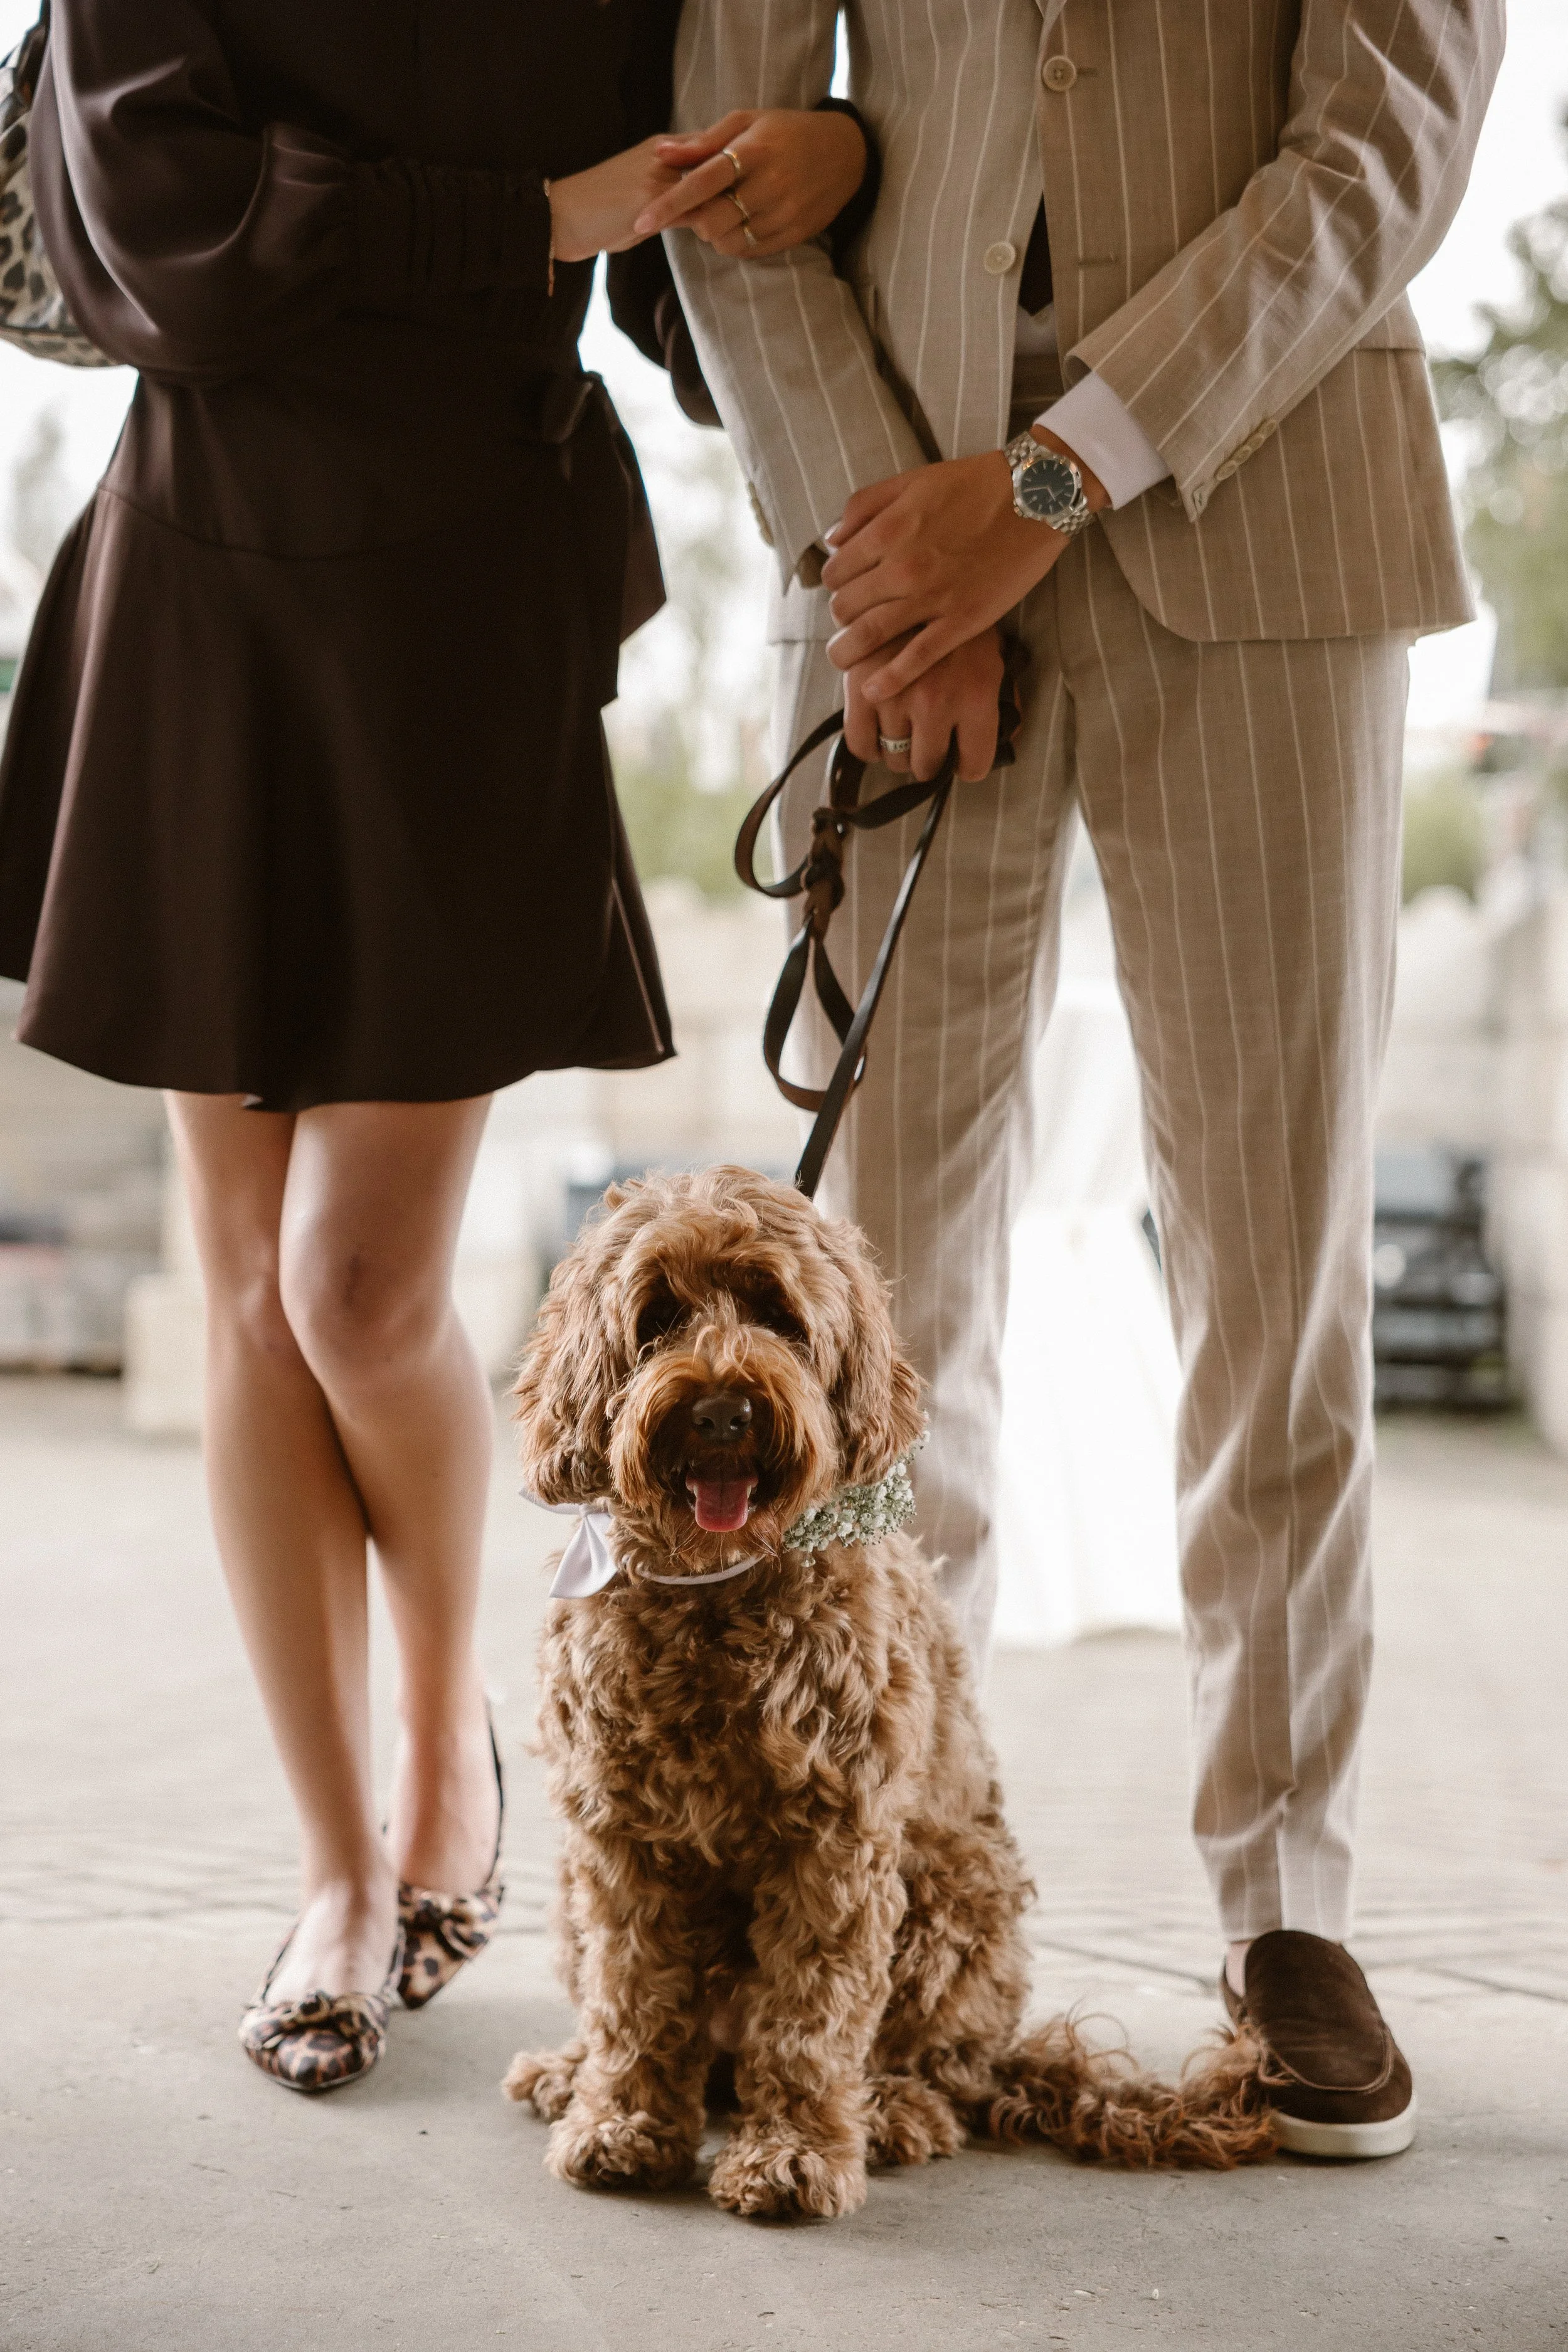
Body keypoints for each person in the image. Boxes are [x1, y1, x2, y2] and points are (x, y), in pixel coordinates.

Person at [0, 0, 874, 2094]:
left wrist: (822, 161)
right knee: (241, 1292)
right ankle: (339, 1873)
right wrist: (521, 225)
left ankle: (441, 1757)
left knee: (352, 1283)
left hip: (464, 608)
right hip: (208, 587)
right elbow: (166, 224)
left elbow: (676, 260)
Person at [668, 0, 1504, 2160]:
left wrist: (1050, 482)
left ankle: (1287, 1904)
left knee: (1274, 1258)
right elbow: (719, 147)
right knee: (871, 1308)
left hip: (1270, 531)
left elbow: (1384, 146)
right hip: (897, 566)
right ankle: (867, 1880)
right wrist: (899, 552)